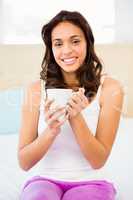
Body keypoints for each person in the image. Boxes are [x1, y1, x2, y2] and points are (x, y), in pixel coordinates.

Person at [18, 10, 124, 200]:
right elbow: (24, 163)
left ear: (88, 43)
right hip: (44, 181)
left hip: (93, 182)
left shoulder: (110, 88)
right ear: (51, 49)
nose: (66, 50)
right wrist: (50, 131)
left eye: (75, 41)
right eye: (58, 44)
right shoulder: (35, 90)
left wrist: (75, 116)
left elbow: (98, 160)